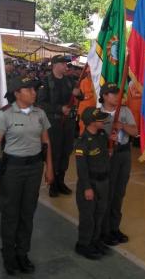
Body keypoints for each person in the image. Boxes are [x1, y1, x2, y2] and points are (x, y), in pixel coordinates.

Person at [0, 75, 54, 275]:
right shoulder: (5, 114)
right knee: (10, 215)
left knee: (27, 213)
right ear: (17, 93)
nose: (34, 92)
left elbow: (46, 143)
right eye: (29, 89)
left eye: (35, 89)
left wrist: (49, 168)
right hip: (12, 171)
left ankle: (23, 253)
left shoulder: (40, 113)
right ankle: (9, 256)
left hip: (34, 169)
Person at [98, 82, 137, 247]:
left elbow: (135, 132)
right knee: (108, 192)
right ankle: (104, 229)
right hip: (107, 156)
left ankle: (114, 227)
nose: (117, 97)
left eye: (118, 94)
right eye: (113, 94)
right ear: (105, 96)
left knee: (119, 193)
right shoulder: (97, 113)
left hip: (123, 154)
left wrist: (121, 125)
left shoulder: (125, 111)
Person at [37, 55, 82, 197]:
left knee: (66, 152)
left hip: (68, 123)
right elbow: (41, 103)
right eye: (63, 64)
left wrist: (79, 93)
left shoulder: (69, 81)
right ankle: (53, 184)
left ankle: (61, 181)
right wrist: (59, 108)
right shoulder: (46, 81)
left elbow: (81, 97)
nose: (66, 66)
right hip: (54, 123)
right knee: (54, 153)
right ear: (55, 65)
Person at [74, 107, 110, 260]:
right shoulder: (82, 142)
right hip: (90, 184)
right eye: (100, 119)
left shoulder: (102, 135)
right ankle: (83, 244)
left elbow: (104, 156)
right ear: (91, 123)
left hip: (103, 182)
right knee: (88, 216)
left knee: (99, 213)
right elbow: (81, 169)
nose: (104, 121)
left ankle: (95, 241)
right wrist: (87, 188)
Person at [77, 66, 97, 135]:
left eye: (90, 72)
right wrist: (91, 93)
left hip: (94, 110)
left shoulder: (96, 82)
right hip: (84, 110)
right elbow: (83, 95)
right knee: (83, 127)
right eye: (88, 72)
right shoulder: (83, 82)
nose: (89, 74)